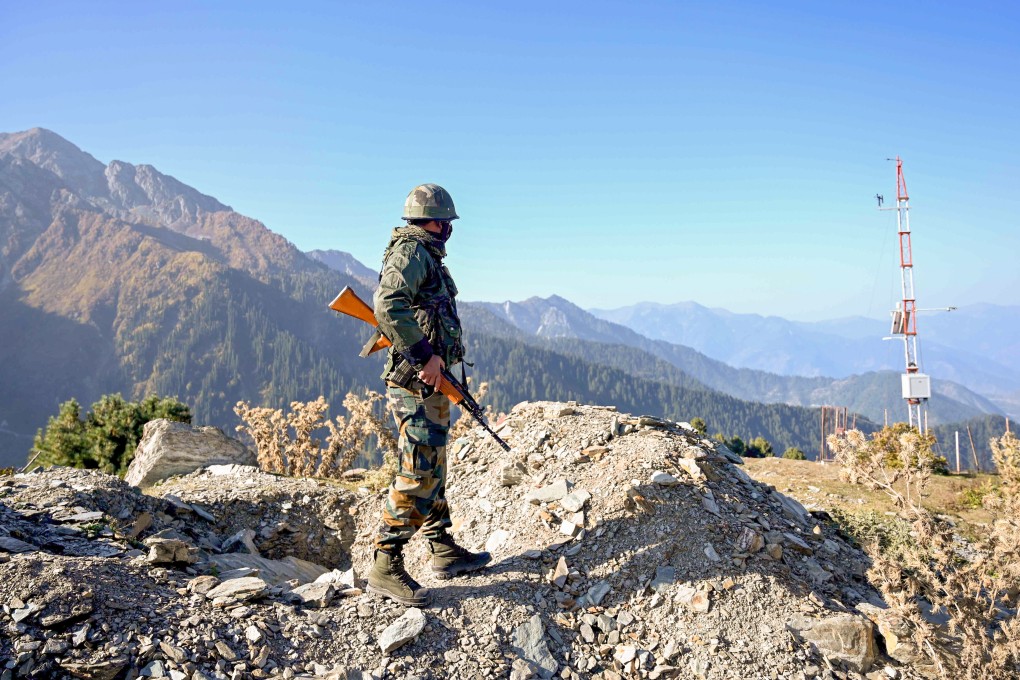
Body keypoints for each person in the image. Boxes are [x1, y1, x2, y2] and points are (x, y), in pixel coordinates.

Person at [366, 183, 492, 607]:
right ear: (437, 223)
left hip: (431, 382)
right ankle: (385, 564)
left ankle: (440, 548)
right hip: (416, 384)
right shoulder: (412, 253)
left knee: (433, 465)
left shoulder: (423, 253)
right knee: (419, 470)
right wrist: (424, 356)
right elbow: (388, 305)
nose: (449, 230)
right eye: (447, 223)